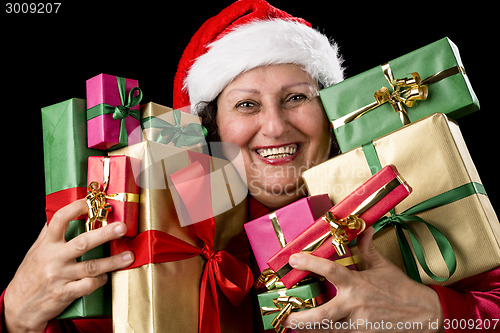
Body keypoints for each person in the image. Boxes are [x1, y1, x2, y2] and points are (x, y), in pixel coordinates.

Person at [2, 0, 500, 332]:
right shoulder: (145, 231)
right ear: (211, 129)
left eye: (297, 98)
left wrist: (432, 313)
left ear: (330, 111)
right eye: (246, 105)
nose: (276, 127)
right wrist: (16, 318)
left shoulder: (404, 191)